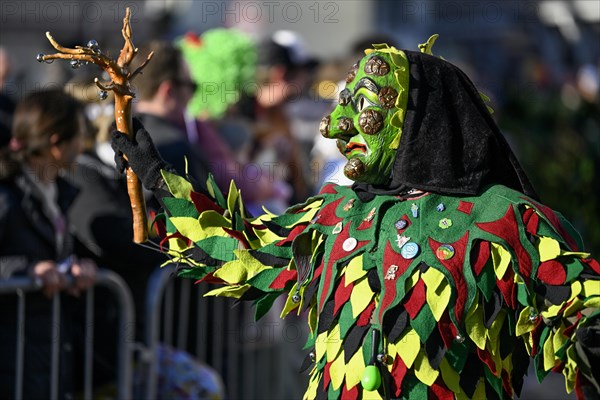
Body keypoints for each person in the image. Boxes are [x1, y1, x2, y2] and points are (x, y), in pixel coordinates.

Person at [111, 37, 600, 399]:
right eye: (341, 105)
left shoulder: (505, 219)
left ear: (416, 119)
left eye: (360, 107)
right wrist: (162, 184)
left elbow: (577, 302)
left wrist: (589, 334)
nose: (336, 126)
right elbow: (246, 255)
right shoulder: (336, 212)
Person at [0, 89, 98, 399]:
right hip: (11, 363)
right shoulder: (6, 197)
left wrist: (75, 266)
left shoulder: (57, 192)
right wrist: (27, 270)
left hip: (44, 360)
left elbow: (54, 253)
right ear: (56, 144)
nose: (82, 147)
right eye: (78, 138)